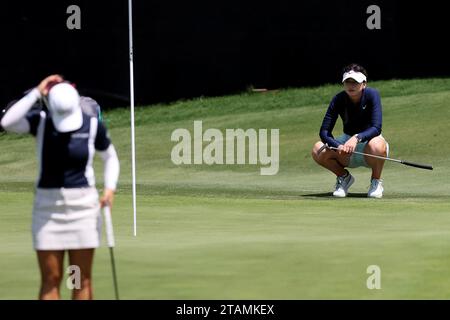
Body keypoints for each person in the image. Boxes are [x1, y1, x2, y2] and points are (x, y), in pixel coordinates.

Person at [0, 74, 120, 299]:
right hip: (48, 211)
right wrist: (37, 91)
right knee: (51, 279)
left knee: (79, 278)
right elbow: (7, 122)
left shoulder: (92, 126)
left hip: (83, 209)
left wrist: (110, 189)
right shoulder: (41, 122)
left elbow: (110, 158)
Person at [311, 63, 388, 198]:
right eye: (348, 82)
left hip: (369, 145)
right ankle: (344, 177)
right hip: (345, 146)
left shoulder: (372, 94)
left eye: (355, 82)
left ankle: (376, 182)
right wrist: (338, 146)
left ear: (364, 84)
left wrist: (356, 138)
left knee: (377, 145)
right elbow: (324, 132)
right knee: (318, 149)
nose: (351, 86)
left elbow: (376, 128)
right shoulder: (338, 99)